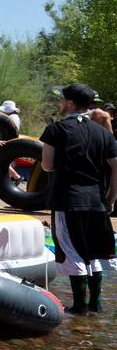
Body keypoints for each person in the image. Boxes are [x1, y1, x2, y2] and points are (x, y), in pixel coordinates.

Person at [41, 83, 117, 314]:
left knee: (71, 252)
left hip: (68, 200)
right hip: (96, 201)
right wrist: (111, 198)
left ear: (71, 103)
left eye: (62, 99)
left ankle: (79, 308)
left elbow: (47, 165)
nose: (60, 103)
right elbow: (116, 167)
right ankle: (96, 305)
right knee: (92, 253)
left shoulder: (56, 129)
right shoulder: (103, 132)